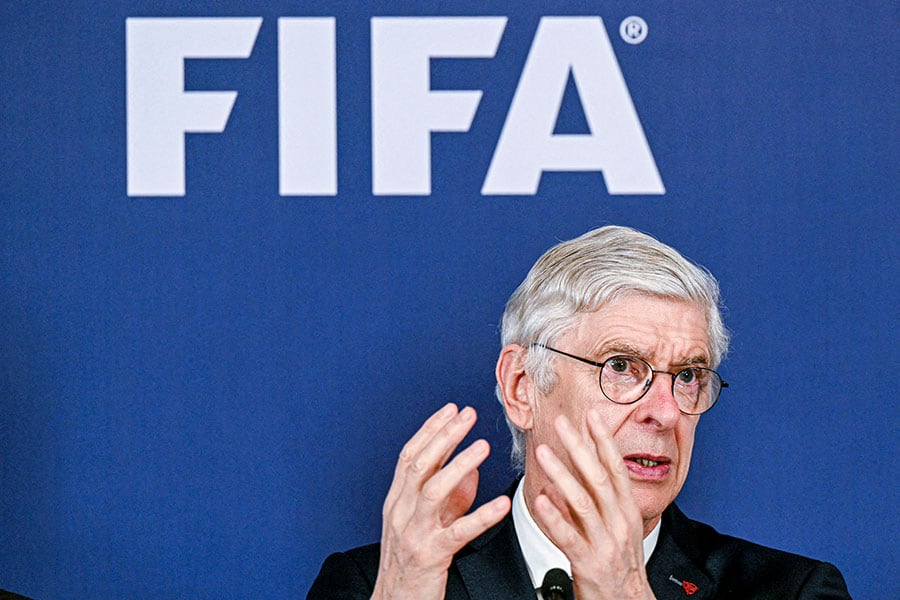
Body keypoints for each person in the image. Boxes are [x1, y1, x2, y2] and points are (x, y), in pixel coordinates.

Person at [307, 226, 850, 599]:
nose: (664, 412)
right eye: (622, 366)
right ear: (522, 387)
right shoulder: (376, 584)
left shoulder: (792, 590)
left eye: (688, 376)